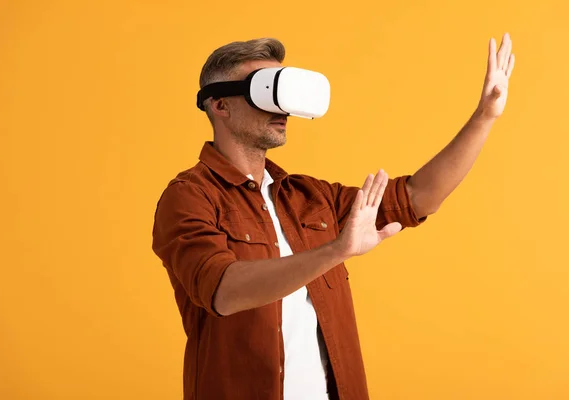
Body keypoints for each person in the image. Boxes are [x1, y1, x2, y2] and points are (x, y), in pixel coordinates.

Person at [152, 34, 515, 400]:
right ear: (220, 105)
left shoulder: (309, 198)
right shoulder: (189, 197)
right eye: (267, 91)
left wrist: (484, 117)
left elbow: (418, 197)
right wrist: (335, 251)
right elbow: (223, 291)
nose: (283, 109)